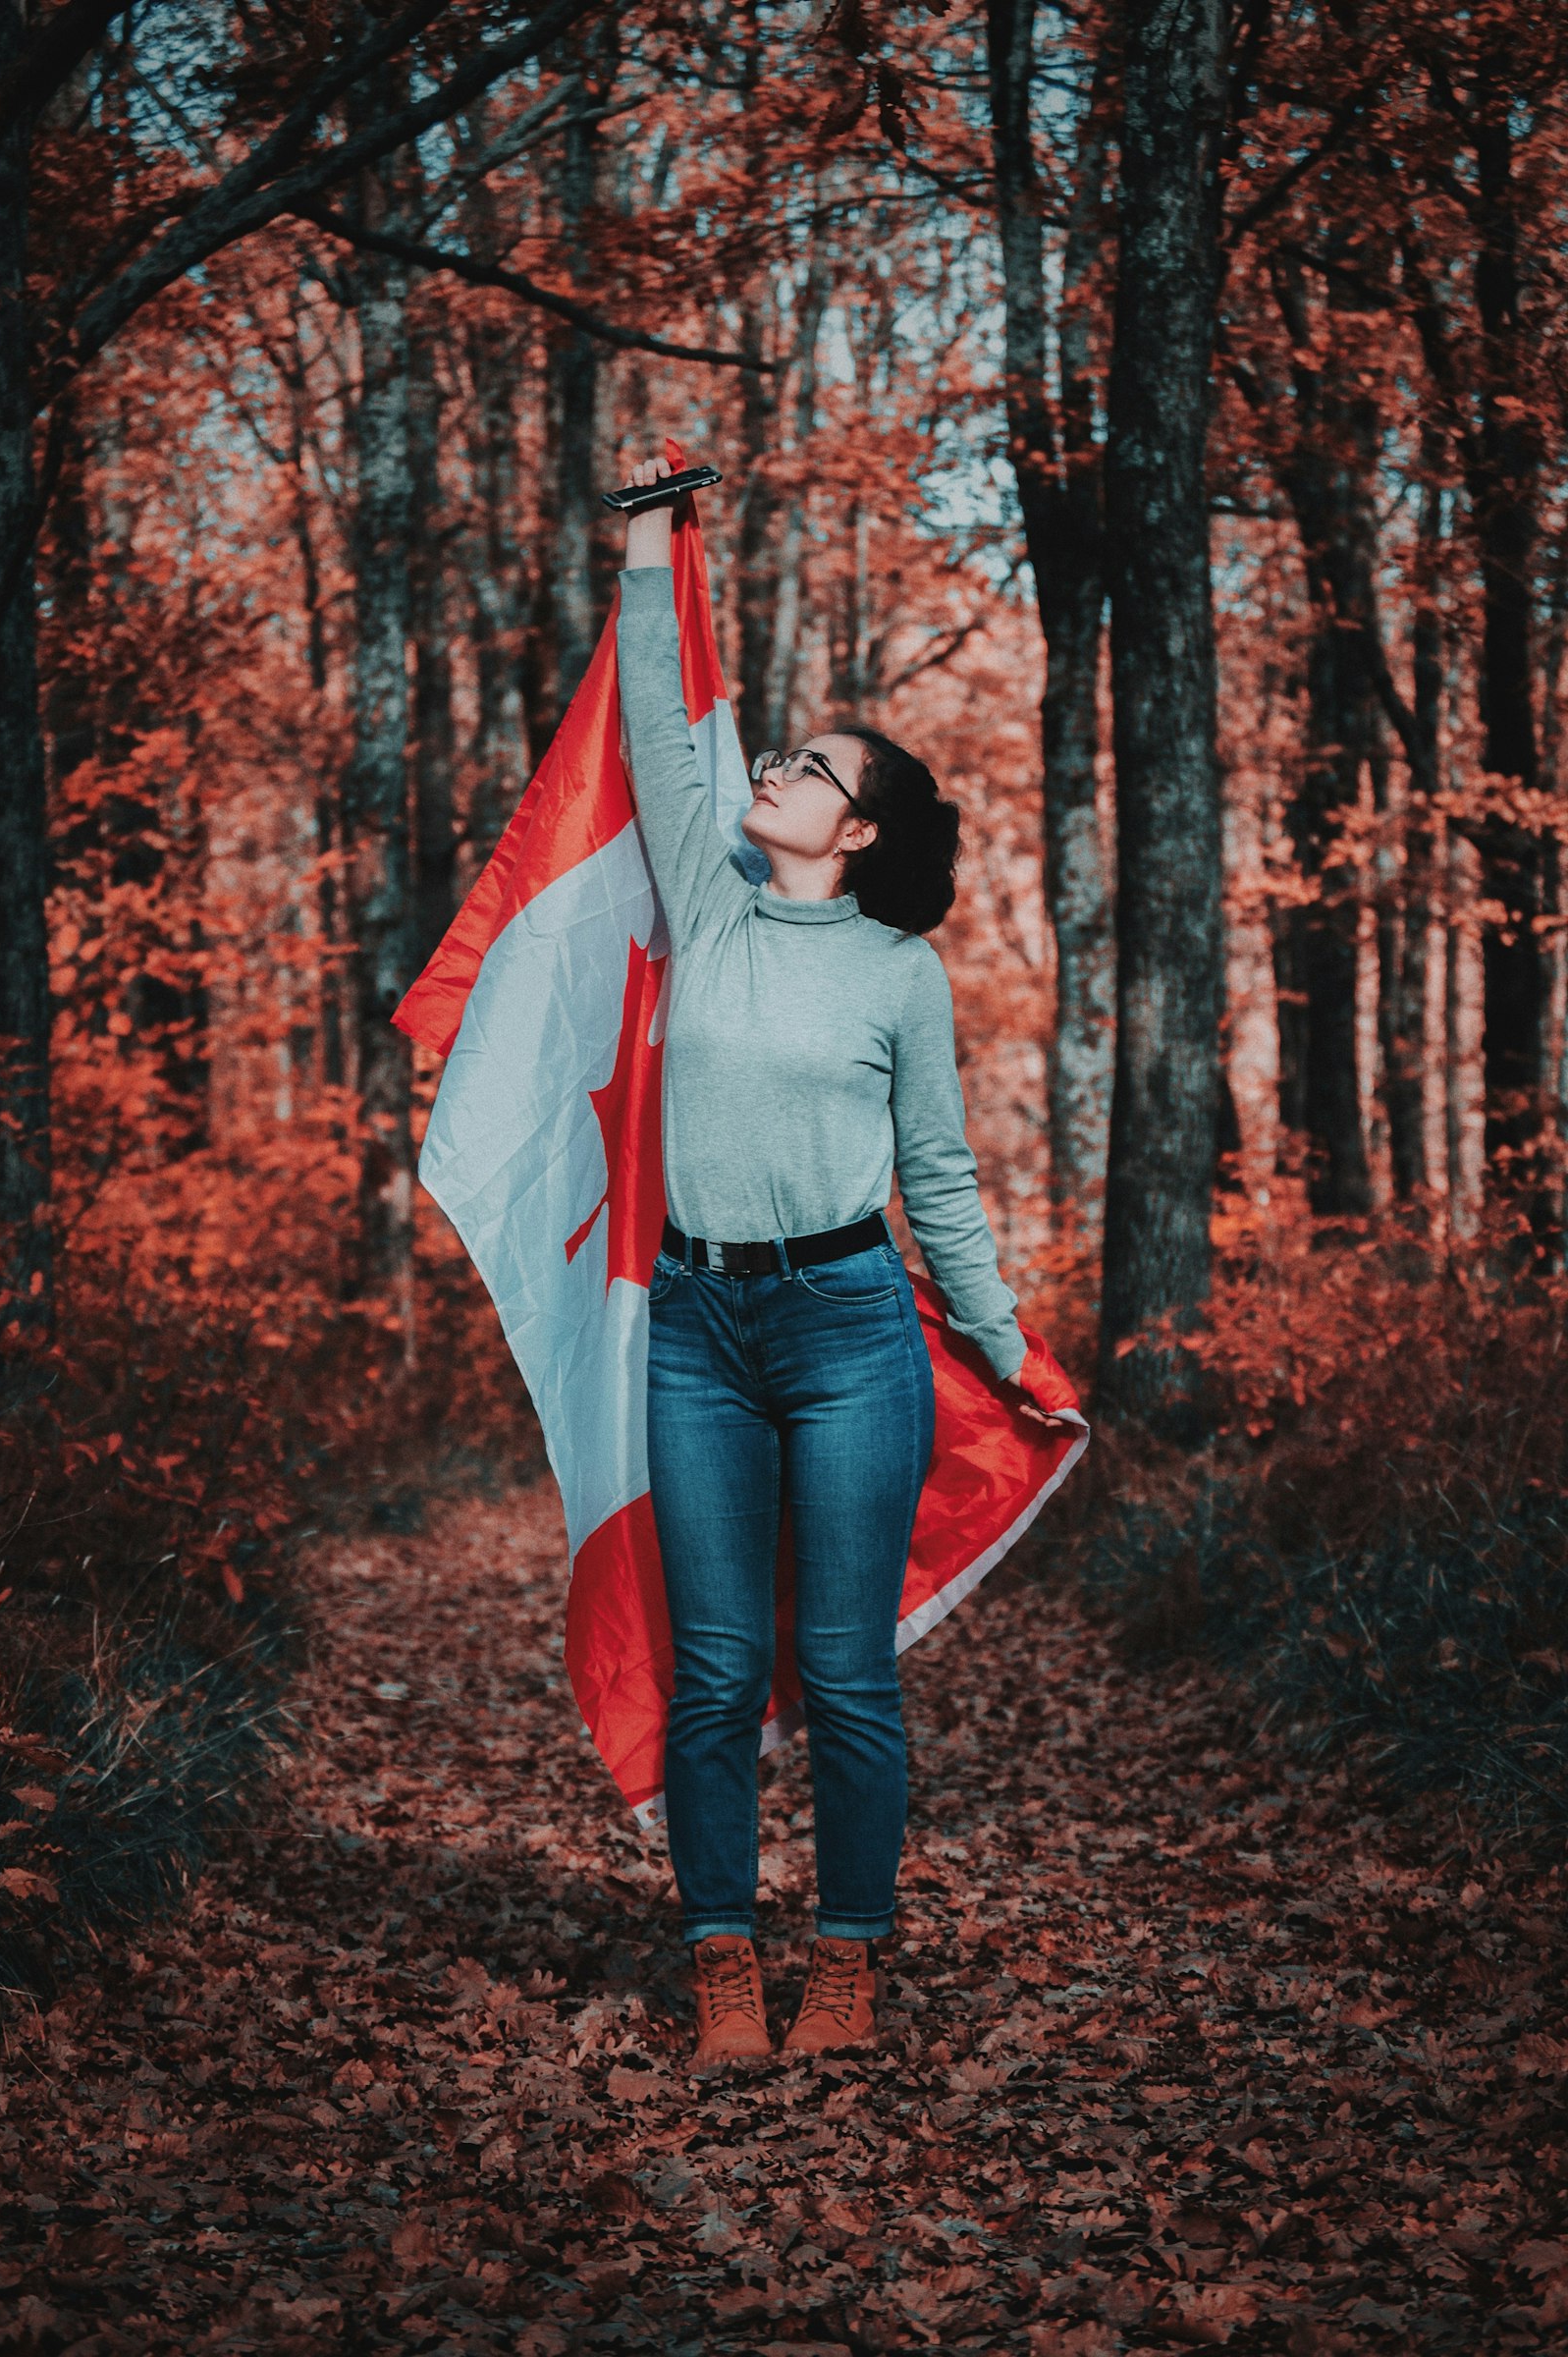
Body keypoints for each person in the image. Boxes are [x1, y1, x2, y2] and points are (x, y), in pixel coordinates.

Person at [617, 449, 1070, 2070]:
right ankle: (725, 1957)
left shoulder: (901, 975)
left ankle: (853, 1960)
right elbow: (665, 735)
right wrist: (650, 539)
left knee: (842, 1666)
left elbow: (938, 1174)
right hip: (694, 1328)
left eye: (808, 765)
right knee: (721, 1668)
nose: (777, 769)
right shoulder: (714, 912)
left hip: (850, 1326)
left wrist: (1004, 1337)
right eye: (785, 753)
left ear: (856, 825)